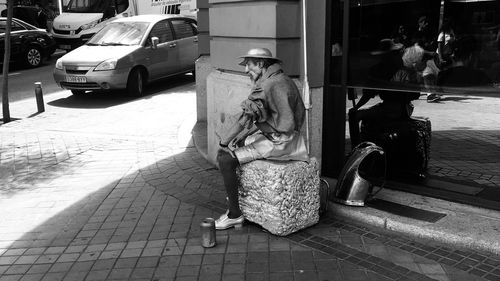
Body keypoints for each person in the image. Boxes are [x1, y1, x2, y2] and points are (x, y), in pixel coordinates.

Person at [215, 48, 308, 230]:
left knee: (225, 160)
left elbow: (244, 119)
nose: (246, 70)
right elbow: (267, 118)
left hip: (280, 143)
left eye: (248, 65)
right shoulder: (283, 79)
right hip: (290, 138)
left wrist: (223, 143)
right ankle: (238, 194)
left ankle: (234, 214)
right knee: (241, 144)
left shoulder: (266, 86)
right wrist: (243, 137)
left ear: (260, 64)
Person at [348, 40, 421, 148]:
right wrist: (356, 107)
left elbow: (415, 93)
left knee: (357, 115)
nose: (396, 58)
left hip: (398, 108)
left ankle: (357, 147)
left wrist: (400, 94)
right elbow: (369, 93)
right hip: (390, 107)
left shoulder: (403, 71)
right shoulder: (378, 70)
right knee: (356, 114)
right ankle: (358, 146)